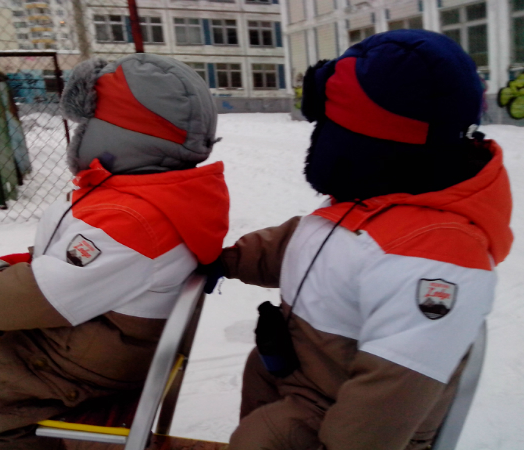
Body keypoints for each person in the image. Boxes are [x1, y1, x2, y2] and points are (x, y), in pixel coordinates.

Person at [217, 30, 512, 450]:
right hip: (300, 382)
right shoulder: (366, 204)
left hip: (336, 417)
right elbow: (296, 244)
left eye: (328, 128)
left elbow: (392, 393)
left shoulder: (436, 257)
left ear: (367, 143)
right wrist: (224, 259)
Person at [0, 54, 229, 450]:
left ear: (118, 133)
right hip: (107, 335)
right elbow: (81, 259)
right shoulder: (150, 192)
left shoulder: (131, 220)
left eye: (90, 123)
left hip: (99, 358)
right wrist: (30, 261)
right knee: (0, 345)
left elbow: (44, 294)